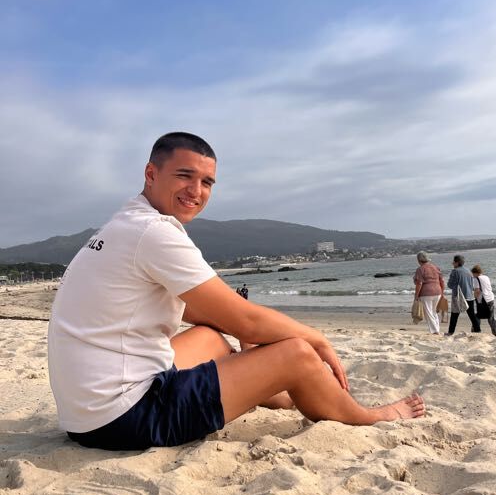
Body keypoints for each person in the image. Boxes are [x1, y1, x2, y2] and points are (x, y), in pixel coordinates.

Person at [47, 132, 424, 451]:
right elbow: (246, 321)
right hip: (126, 418)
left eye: (207, 182)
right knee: (297, 353)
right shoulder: (155, 232)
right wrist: (317, 339)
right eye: (184, 176)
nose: (196, 191)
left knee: (210, 338)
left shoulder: (125, 224)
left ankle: (279, 390)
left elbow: (202, 312)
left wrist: (244, 331)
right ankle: (364, 415)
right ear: (151, 173)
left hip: (87, 414)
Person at [445, 254, 481, 336]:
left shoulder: (455, 271)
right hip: (470, 296)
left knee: (454, 315)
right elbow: (471, 284)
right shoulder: (468, 271)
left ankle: (450, 332)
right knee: (472, 315)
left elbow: (450, 285)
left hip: (459, 296)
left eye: (453, 262)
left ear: (457, 263)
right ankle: (478, 330)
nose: (452, 263)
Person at [413, 251, 445, 335]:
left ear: (418, 260)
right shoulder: (436, 267)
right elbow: (442, 281)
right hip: (437, 291)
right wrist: (442, 292)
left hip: (426, 293)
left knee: (428, 313)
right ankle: (437, 329)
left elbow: (419, 283)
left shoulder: (420, 269)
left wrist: (416, 295)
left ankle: (435, 331)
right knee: (434, 311)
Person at [471, 265, 496, 337]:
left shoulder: (476, 279)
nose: (472, 275)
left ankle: (476, 331)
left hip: (482, 300)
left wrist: (473, 297)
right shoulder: (486, 277)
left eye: (473, 274)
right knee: (491, 317)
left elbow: (477, 291)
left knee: (477, 316)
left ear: (475, 273)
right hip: (491, 298)